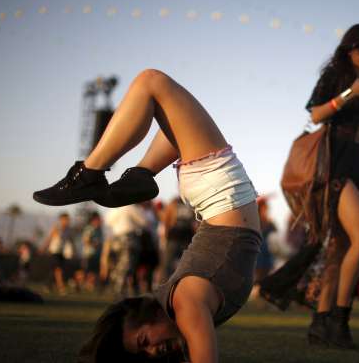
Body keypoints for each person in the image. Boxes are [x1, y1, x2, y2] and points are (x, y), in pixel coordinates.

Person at [33, 69, 261, 362]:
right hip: (216, 194)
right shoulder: (186, 309)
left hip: (217, 194)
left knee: (152, 85)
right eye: (146, 355)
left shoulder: (185, 306)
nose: (154, 350)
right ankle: (140, 174)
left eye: (144, 341)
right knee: (154, 87)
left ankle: (90, 173)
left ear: (145, 316)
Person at [259, 23, 359, 350]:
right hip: (335, 169)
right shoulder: (337, 78)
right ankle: (340, 320)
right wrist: (349, 93)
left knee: (339, 251)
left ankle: (320, 324)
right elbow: (315, 115)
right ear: (347, 49)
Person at [161, 197, 196, 281]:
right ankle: (164, 285)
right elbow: (166, 220)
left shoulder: (192, 203)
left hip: (187, 239)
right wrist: (165, 236)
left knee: (186, 264)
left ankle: (183, 285)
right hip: (173, 238)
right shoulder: (173, 203)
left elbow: (195, 221)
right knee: (168, 264)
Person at [40, 212, 74, 295]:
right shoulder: (57, 228)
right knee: (58, 270)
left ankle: (47, 285)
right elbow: (49, 238)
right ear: (61, 220)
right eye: (65, 219)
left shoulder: (68, 230)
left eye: (68, 220)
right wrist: (43, 248)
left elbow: (70, 240)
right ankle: (61, 288)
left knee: (54, 270)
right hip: (54, 251)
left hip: (61, 252)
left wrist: (73, 250)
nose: (67, 221)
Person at [80, 211, 104, 292]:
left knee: (94, 271)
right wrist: (94, 244)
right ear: (93, 220)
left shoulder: (99, 229)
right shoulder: (89, 228)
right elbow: (85, 240)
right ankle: (80, 284)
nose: (100, 220)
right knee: (87, 270)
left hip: (97, 254)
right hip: (89, 253)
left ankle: (90, 285)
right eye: (98, 219)